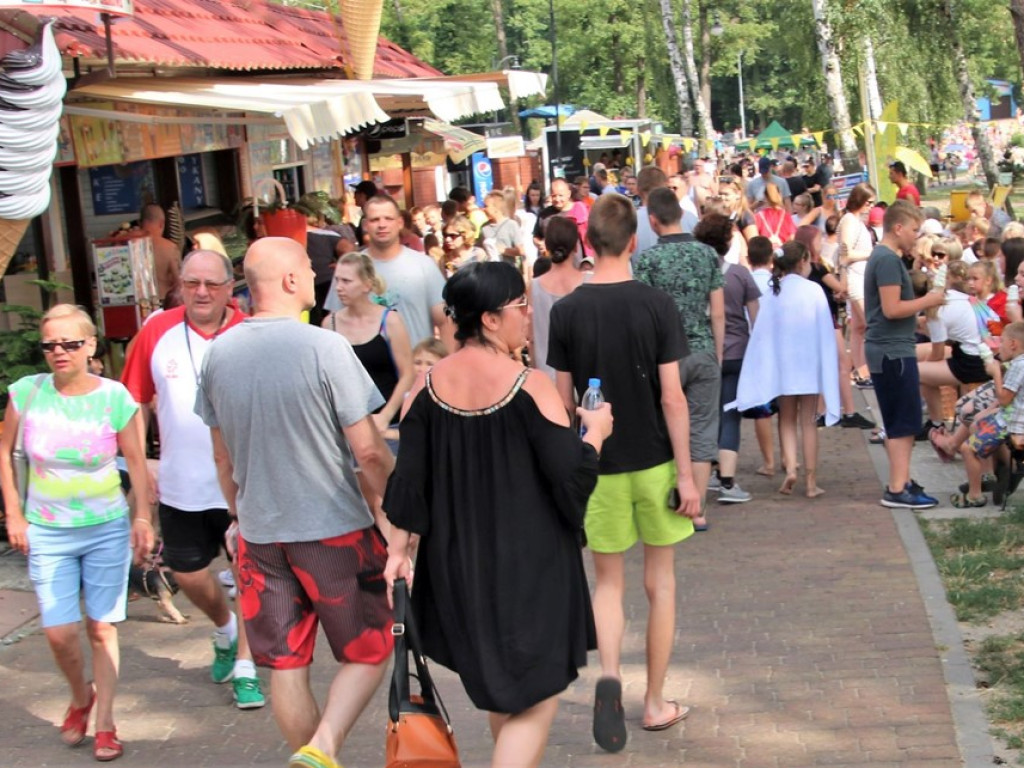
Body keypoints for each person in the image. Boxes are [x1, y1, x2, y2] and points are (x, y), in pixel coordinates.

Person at [382, 261, 611, 768]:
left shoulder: (425, 387)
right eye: (520, 307)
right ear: (489, 318)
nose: (528, 316)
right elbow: (572, 478)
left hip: (457, 564)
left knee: (504, 692)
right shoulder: (529, 386)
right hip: (531, 565)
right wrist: (595, 431)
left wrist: (398, 552)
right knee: (538, 693)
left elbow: (407, 484)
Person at [196, 237, 396, 768]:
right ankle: (324, 746)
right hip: (332, 529)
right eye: (309, 268)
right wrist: (399, 511)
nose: (316, 276)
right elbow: (369, 451)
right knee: (370, 648)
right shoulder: (323, 347)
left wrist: (240, 513)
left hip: (261, 534)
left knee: (286, 664)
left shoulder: (219, 354)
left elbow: (221, 459)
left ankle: (311, 758)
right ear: (288, 281)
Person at [548, 193, 701, 752]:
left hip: (599, 466)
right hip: (655, 461)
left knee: (606, 583)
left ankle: (610, 674)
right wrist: (687, 475)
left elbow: (563, 404)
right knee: (660, 584)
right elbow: (672, 399)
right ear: (636, 241)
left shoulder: (566, 310)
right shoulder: (656, 305)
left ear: (589, 245)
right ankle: (655, 701)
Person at [0, 304, 153, 762]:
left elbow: (139, 466)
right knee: (59, 632)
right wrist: (14, 513)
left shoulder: (115, 398)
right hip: (46, 529)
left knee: (101, 626)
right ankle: (80, 696)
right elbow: (4, 452)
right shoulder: (26, 393)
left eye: (70, 343)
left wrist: (142, 516)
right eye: (50, 345)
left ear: (91, 346)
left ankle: (105, 722)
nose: (59, 352)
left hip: (105, 526)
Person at [120, 250, 265, 711]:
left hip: (243, 486)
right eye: (191, 283)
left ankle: (246, 667)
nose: (201, 292)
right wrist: (140, 466)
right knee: (187, 573)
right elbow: (133, 406)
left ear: (230, 288)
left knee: (249, 576)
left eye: (211, 284)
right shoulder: (157, 331)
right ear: (180, 285)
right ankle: (225, 629)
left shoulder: (251, 334)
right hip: (181, 484)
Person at [634, 188, 725, 528]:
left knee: (663, 427)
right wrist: (717, 351)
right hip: (701, 348)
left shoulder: (645, 260)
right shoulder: (707, 255)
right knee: (702, 430)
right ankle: (697, 510)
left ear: (653, 220)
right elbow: (717, 311)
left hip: (663, 356)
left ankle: (667, 501)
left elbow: (642, 314)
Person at [728, 241, 839, 497]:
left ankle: (790, 468)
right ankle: (811, 482)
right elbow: (824, 329)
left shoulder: (771, 292)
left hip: (783, 367)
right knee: (809, 422)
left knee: (786, 420)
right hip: (809, 365)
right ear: (803, 261)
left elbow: (762, 332)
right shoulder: (813, 290)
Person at [863, 200, 945, 509]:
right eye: (914, 230)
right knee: (903, 421)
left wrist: (918, 318)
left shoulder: (886, 257)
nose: (916, 236)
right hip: (891, 352)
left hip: (890, 348)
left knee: (902, 418)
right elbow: (891, 308)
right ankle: (898, 487)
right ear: (897, 228)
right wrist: (927, 300)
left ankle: (903, 481)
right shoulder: (886, 260)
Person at [326, 195, 451, 350]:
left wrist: (444, 367)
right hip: (366, 371)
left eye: (388, 218)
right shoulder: (349, 267)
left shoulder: (423, 265)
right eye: (375, 219)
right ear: (365, 225)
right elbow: (334, 324)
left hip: (417, 367)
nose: (382, 225)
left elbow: (445, 321)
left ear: (400, 223)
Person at [694, 213, 760, 503]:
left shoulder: (695, 276)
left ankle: (706, 470)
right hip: (737, 352)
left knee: (705, 414)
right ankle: (728, 480)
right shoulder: (740, 275)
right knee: (730, 413)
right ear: (728, 241)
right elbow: (757, 319)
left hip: (703, 350)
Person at [529, 216, 585, 381]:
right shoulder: (590, 281)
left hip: (547, 377)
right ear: (576, 246)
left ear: (546, 246)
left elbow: (531, 338)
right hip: (585, 378)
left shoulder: (534, 286)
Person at [837, 183, 877, 388]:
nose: (870, 206)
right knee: (869, 325)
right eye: (868, 202)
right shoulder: (850, 221)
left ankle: (860, 370)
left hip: (860, 276)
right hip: (855, 278)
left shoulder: (855, 221)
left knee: (859, 327)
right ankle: (865, 370)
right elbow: (846, 253)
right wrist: (871, 254)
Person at [140, 203, 181, 302]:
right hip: (162, 301)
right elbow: (179, 282)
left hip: (137, 303)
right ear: (162, 224)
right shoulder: (169, 248)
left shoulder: (128, 244)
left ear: (140, 223)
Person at [480, 190, 523, 265]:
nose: (483, 209)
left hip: (507, 269)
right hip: (490, 269)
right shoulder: (484, 227)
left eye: (486, 206)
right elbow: (479, 249)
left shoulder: (511, 224)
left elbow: (520, 251)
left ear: (496, 208)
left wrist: (502, 250)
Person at [754, 183, 796, 248]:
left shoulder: (759, 216)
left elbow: (755, 236)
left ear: (765, 197)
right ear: (779, 195)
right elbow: (792, 236)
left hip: (765, 252)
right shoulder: (786, 215)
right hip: (783, 250)